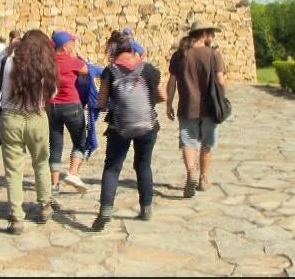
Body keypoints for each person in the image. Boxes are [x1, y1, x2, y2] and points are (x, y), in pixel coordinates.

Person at [92, 31, 166, 231]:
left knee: (112, 168)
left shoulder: (110, 71)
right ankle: (146, 208)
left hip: (119, 126)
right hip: (147, 126)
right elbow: (163, 97)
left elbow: (101, 101)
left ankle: (106, 209)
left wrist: (115, 103)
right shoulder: (150, 70)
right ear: (133, 50)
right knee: (143, 165)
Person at [0, 29, 58, 235]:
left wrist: (10, 47)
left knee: (13, 170)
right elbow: (54, 93)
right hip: (37, 118)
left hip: (11, 118)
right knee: (41, 163)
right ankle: (44, 206)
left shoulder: (9, 62)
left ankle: (16, 218)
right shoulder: (46, 65)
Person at [166, 21, 227, 198]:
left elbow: (171, 83)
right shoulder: (214, 55)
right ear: (204, 34)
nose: (213, 36)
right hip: (210, 107)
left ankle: (191, 172)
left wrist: (169, 103)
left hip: (187, 107)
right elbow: (221, 81)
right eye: (211, 33)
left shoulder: (179, 55)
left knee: (188, 142)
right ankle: (203, 178)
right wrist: (223, 99)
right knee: (207, 144)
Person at [49, 31, 90, 195]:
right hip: (72, 106)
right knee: (81, 141)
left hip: (52, 107)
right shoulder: (72, 61)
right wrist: (76, 55)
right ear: (65, 46)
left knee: (55, 145)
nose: (74, 45)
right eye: (72, 43)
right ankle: (73, 173)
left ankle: (54, 185)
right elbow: (86, 69)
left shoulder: (48, 62)